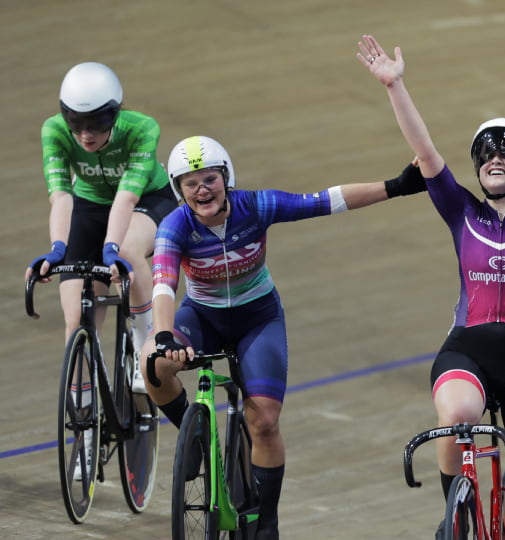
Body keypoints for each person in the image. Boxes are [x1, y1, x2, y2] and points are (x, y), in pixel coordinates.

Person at [357, 16, 505, 540]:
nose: (494, 157)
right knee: (462, 412)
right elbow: (425, 155)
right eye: (486, 150)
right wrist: (395, 86)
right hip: (466, 350)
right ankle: (454, 518)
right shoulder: (460, 210)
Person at [140, 135, 425, 540]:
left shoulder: (256, 206)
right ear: (178, 189)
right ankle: (197, 440)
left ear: (227, 179)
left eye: (210, 179)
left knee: (266, 423)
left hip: (258, 319)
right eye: (191, 182)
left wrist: (395, 187)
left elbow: (325, 201)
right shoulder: (175, 226)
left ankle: (267, 520)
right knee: (152, 360)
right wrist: (165, 335)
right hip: (202, 316)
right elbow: (164, 283)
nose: (202, 189)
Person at [25, 61, 178, 393]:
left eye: (96, 124)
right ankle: (84, 412)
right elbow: (62, 197)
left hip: (147, 200)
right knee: (76, 319)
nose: (85, 135)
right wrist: (57, 248)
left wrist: (110, 249)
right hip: (90, 206)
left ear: (116, 113)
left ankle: (145, 352)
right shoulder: (52, 130)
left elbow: (126, 198)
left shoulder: (141, 128)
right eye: (76, 124)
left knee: (126, 251)